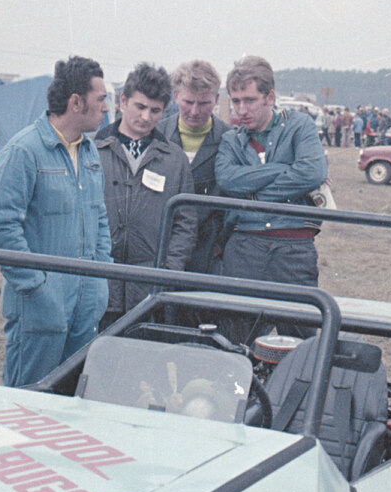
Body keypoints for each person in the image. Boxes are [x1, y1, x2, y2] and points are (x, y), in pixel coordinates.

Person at [0, 55, 111, 386]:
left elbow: (99, 218)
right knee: (29, 401)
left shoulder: (89, 152)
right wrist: (37, 288)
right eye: (101, 99)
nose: (106, 108)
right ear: (76, 103)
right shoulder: (23, 152)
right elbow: (1, 228)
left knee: (74, 401)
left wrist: (100, 279)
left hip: (85, 309)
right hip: (38, 311)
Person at [96, 62, 198, 326]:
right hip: (99, 281)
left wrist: (168, 271)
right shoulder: (93, 151)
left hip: (150, 289)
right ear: (123, 101)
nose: (145, 117)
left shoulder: (175, 160)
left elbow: (185, 223)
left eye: (155, 110)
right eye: (139, 106)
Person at [215, 55, 328, 287]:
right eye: (236, 101)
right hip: (245, 245)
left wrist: (252, 199)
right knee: (238, 310)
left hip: (294, 247)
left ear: (270, 97)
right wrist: (282, 169)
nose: (241, 110)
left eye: (250, 100)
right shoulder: (231, 140)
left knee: (296, 310)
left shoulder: (299, 125)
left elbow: (312, 173)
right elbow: (227, 179)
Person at [157, 59, 229, 273]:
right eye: (188, 102)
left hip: (209, 255)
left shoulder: (231, 140)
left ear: (216, 99)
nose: (195, 111)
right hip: (161, 248)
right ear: (175, 96)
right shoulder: (156, 135)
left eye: (204, 103)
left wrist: (221, 243)